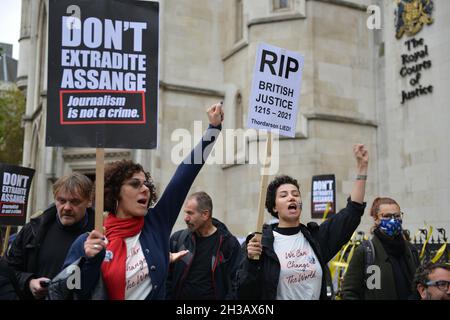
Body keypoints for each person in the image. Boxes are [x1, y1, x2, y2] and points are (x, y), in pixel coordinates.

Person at [62, 103, 224, 300]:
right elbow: (72, 290)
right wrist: (88, 261)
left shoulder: (156, 224)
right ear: (115, 193)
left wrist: (213, 130)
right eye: (135, 184)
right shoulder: (89, 241)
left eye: (146, 183)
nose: (145, 188)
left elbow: (184, 175)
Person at [235, 144, 369, 300]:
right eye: (284, 195)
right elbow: (243, 293)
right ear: (274, 207)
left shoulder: (316, 239)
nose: (292, 197)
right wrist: (251, 262)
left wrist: (362, 169)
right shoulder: (260, 244)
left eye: (295, 194)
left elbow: (352, 213)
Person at [4, 172, 94, 299]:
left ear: (89, 201)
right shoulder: (33, 230)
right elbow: (8, 272)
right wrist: (29, 282)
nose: (67, 207)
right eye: (62, 201)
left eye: (75, 202)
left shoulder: (101, 232)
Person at [166, 191, 242, 300]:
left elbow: (236, 282)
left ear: (205, 214)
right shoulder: (177, 240)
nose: (186, 218)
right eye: (185, 213)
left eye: (190, 213)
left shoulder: (228, 244)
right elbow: (166, 277)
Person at [342, 197, 419, 300]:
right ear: (376, 219)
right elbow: (350, 292)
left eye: (397, 216)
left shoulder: (411, 250)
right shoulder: (366, 251)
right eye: (387, 216)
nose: (393, 220)